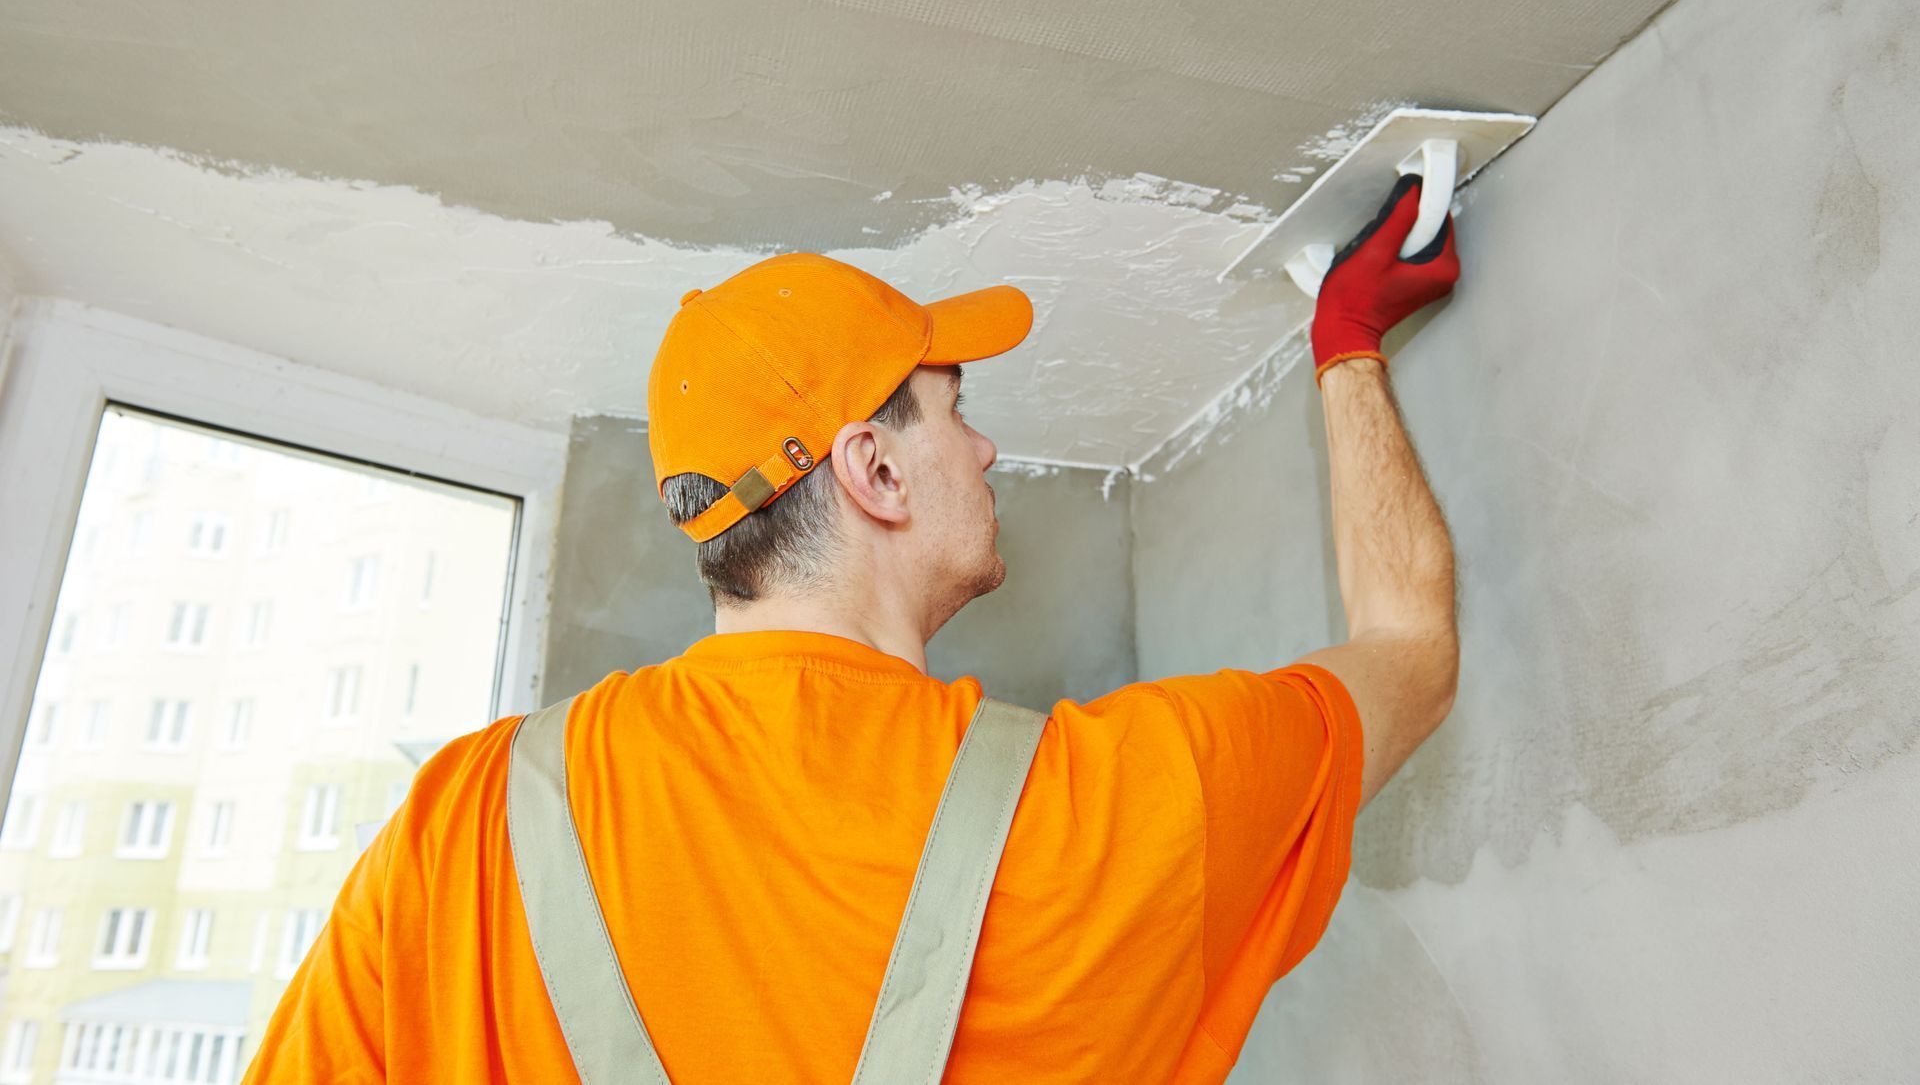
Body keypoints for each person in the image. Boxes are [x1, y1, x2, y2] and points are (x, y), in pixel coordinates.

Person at [242, 175, 1460, 1083]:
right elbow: (1412, 650)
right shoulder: (1106, 809)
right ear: (872, 469)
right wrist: (1345, 346)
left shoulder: (463, 823)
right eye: (954, 411)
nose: (985, 451)